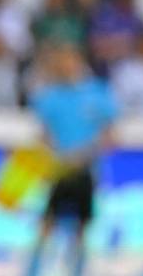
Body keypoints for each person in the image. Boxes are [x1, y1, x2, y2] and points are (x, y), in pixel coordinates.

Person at [30, 41, 119, 273]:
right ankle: (41, 262)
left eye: (70, 60)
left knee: (84, 220)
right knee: (48, 216)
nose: (66, 65)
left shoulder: (98, 93)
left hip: (86, 169)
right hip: (59, 168)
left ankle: (79, 264)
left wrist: (85, 153)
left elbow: (110, 134)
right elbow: (44, 134)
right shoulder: (49, 97)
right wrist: (55, 156)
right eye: (61, 61)